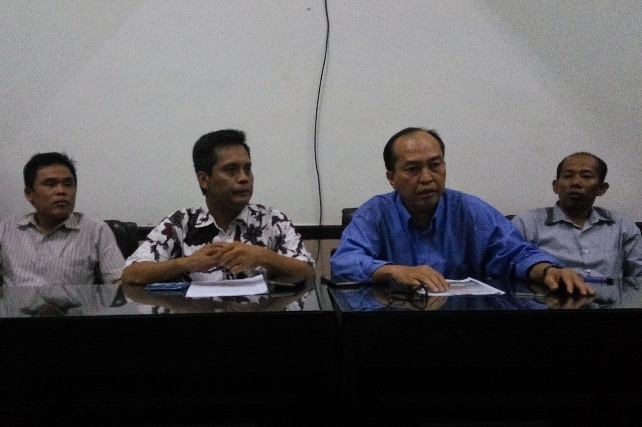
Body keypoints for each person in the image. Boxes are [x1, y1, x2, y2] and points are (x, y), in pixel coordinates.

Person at [330, 127, 593, 295]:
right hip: (392, 325)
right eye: (413, 169)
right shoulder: (375, 213)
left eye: (435, 165)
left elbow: (514, 253)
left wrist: (547, 270)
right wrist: (392, 270)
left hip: (461, 326)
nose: (427, 178)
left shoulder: (470, 211)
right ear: (392, 178)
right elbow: (344, 261)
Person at [122, 129, 315, 285]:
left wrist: (264, 257)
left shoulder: (272, 220)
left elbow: (308, 273)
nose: (244, 178)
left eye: (247, 169)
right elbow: (131, 273)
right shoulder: (181, 223)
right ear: (204, 179)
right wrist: (186, 263)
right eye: (231, 170)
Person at [0, 152, 125, 286]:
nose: (61, 191)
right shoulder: (6, 229)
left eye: (68, 184)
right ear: (29, 194)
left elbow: (118, 280)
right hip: (18, 300)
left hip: (75, 300)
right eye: (50, 184)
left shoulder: (95, 230)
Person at [512, 152, 642, 280]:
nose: (575, 182)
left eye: (586, 176)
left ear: (602, 188)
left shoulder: (621, 224)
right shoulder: (528, 222)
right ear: (555, 186)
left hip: (610, 294)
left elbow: (638, 274)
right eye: (568, 176)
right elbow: (511, 264)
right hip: (552, 292)